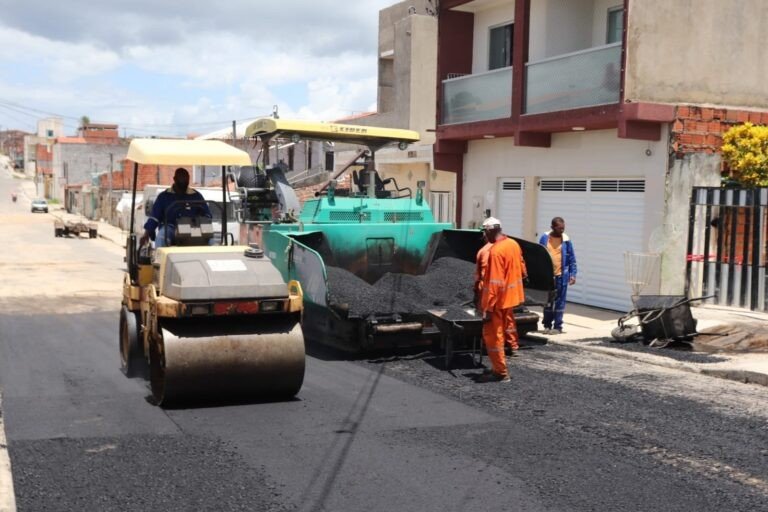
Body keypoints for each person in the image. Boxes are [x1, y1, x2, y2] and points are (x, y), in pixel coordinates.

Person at [478, 217, 527, 383]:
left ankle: (500, 372)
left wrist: (488, 309)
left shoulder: (495, 251)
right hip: (510, 297)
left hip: (497, 301)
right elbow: (521, 267)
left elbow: (494, 282)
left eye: (485, 231)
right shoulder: (513, 244)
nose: (485, 235)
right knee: (506, 327)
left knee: (493, 336)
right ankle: (501, 364)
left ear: (491, 230)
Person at [474, 230, 520, 356]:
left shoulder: (485, 251)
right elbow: (520, 266)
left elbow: (479, 275)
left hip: (490, 292)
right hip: (507, 292)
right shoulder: (510, 246)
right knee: (509, 320)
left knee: (493, 324)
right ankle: (513, 346)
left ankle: (489, 347)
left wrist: (476, 293)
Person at [139, 168, 211, 248]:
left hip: (192, 228)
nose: (183, 181)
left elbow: (207, 215)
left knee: (211, 240)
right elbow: (154, 218)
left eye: (186, 180)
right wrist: (146, 234)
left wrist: (199, 222)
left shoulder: (196, 196)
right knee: (161, 238)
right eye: (181, 179)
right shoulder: (164, 196)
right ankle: (160, 260)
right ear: (175, 179)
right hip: (170, 228)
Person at [539, 217, 577, 334]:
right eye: (559, 229)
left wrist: (573, 274)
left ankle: (558, 326)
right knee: (548, 301)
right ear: (552, 227)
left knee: (560, 302)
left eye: (563, 229)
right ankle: (547, 325)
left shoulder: (566, 240)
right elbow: (539, 255)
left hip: (561, 276)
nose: (562, 231)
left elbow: (572, 259)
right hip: (548, 277)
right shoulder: (545, 238)